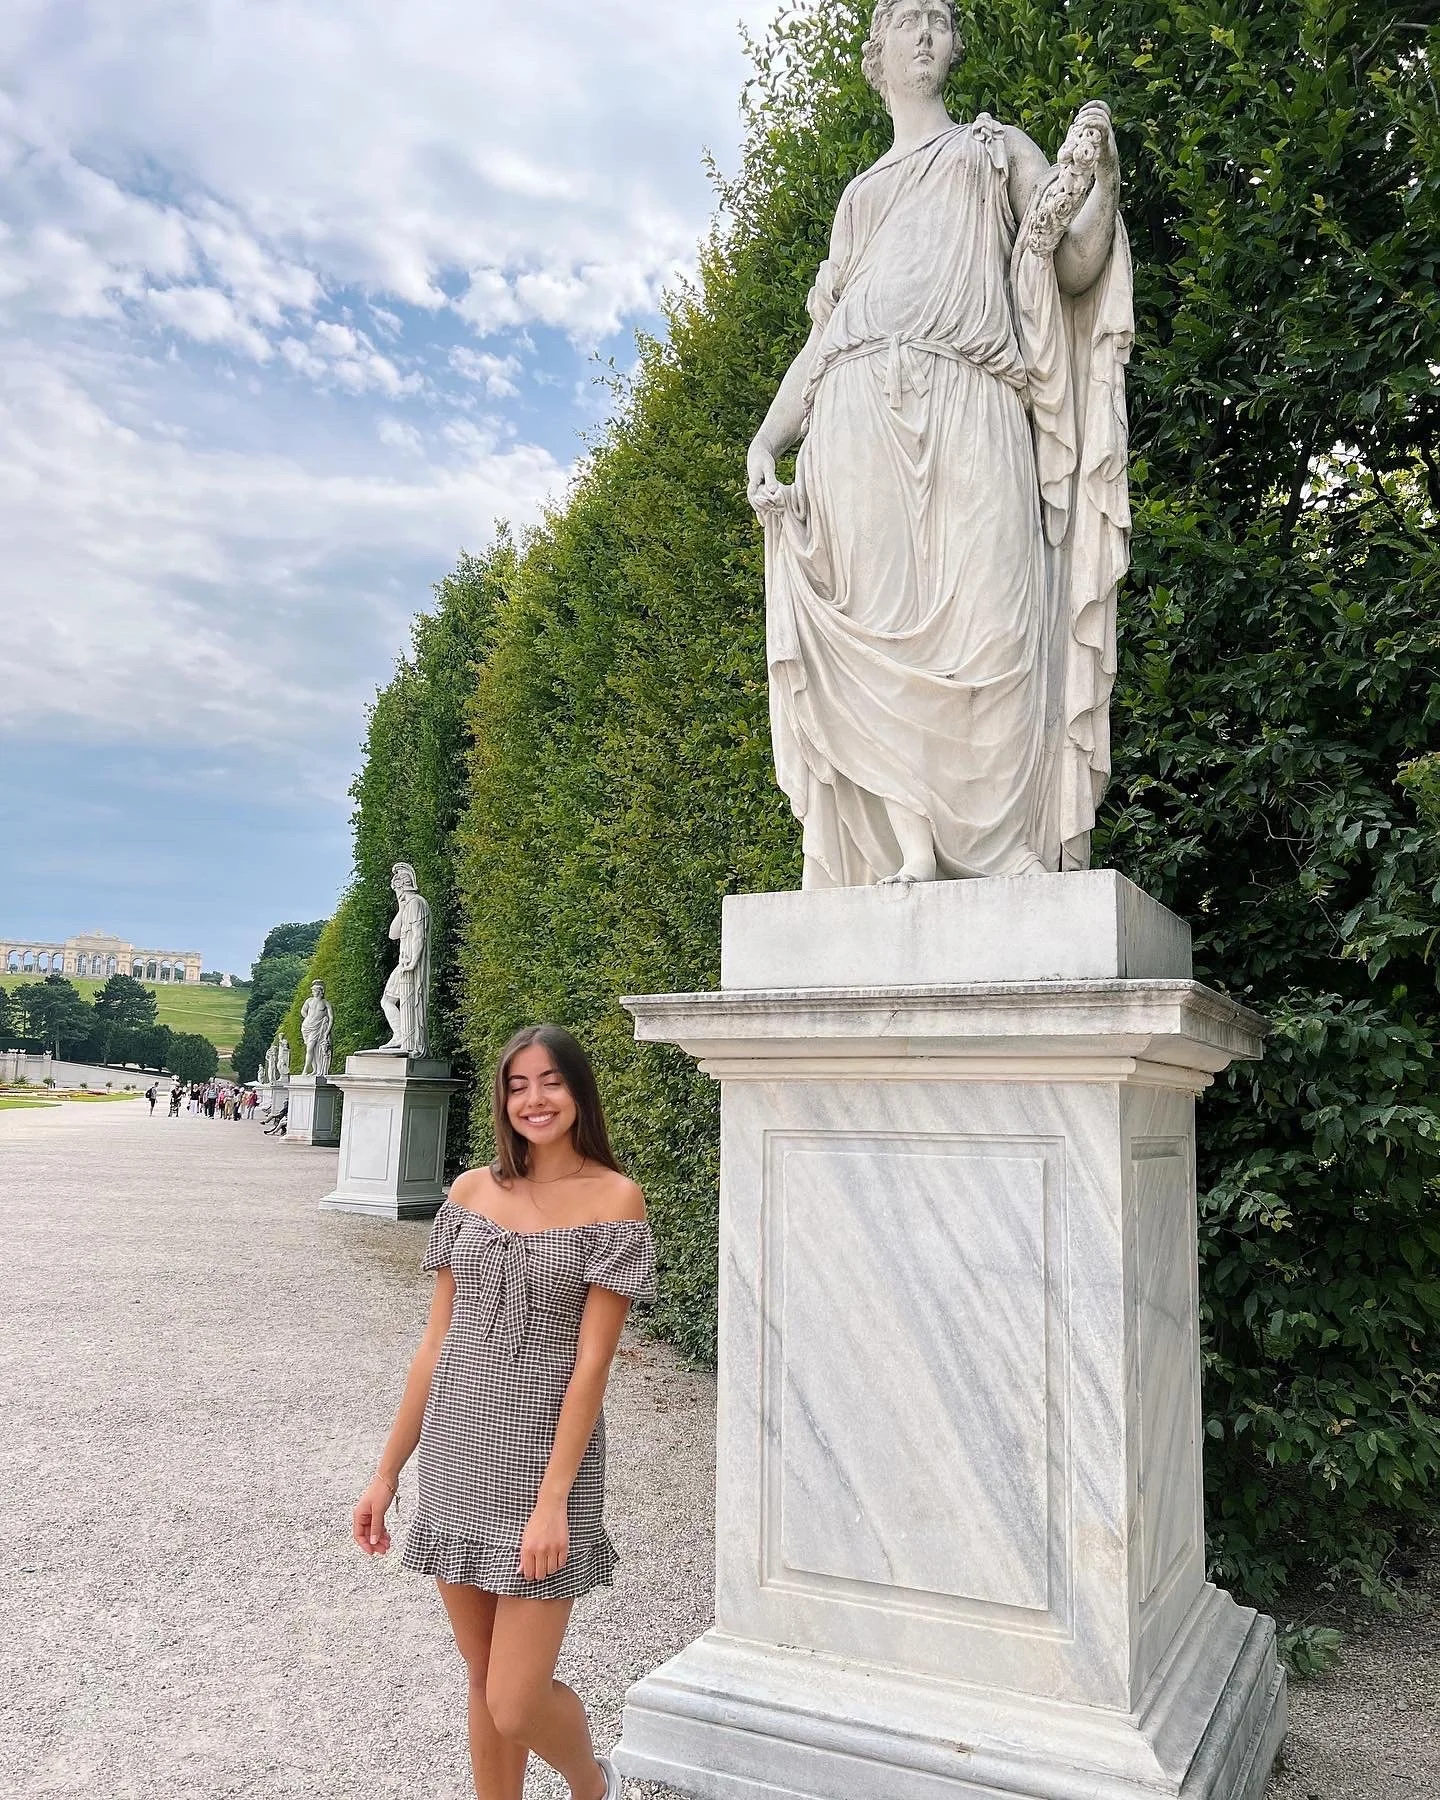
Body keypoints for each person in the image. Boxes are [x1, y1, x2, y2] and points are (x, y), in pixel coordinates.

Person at [746, 0, 1129, 885]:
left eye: (938, 19)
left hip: (975, 393)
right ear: (876, 52)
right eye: (906, 19)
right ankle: (914, 851)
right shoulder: (857, 198)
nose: (924, 32)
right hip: (851, 413)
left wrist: (1101, 180)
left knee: (999, 612)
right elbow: (824, 335)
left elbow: (1073, 262)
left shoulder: (996, 149)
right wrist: (768, 438)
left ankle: (1007, 851)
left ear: (954, 46)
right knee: (874, 623)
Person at [352, 1026, 656, 1800]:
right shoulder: (469, 1193)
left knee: (517, 1698)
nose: (534, 1099)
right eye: (517, 1085)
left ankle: (594, 1784)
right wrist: (387, 1472)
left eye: (550, 1081)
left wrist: (554, 1501)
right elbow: (435, 1343)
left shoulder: (614, 1199)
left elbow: (592, 1367)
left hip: (542, 1470)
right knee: (484, 1679)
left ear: (579, 1092)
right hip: (456, 1457)